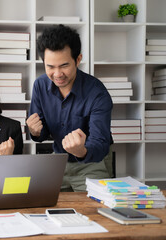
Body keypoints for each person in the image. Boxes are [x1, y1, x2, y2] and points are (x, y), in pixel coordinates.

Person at [26, 24, 113, 192]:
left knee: (97, 211)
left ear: (78, 59)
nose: (57, 74)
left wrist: (81, 150)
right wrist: (35, 132)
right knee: (37, 202)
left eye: (64, 65)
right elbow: (41, 134)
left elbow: (101, 144)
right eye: (50, 67)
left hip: (92, 163)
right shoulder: (40, 86)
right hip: (59, 162)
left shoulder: (97, 93)